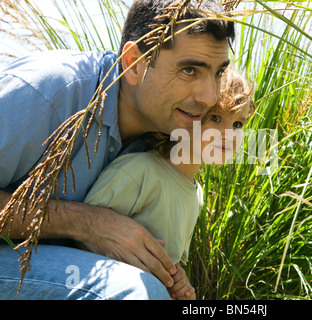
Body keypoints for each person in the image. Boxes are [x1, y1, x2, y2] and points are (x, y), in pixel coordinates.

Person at [0, 0, 234, 299]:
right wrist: (89, 223)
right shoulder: (48, 90)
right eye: (189, 70)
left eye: (217, 74)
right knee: (133, 291)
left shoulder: (168, 133)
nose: (209, 97)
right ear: (134, 63)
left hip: (36, 262)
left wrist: (167, 274)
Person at [83, 67, 256, 300]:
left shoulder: (196, 194)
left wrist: (177, 282)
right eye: (215, 118)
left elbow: (169, 261)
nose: (229, 134)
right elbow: (82, 240)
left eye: (238, 124)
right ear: (187, 117)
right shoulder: (139, 172)